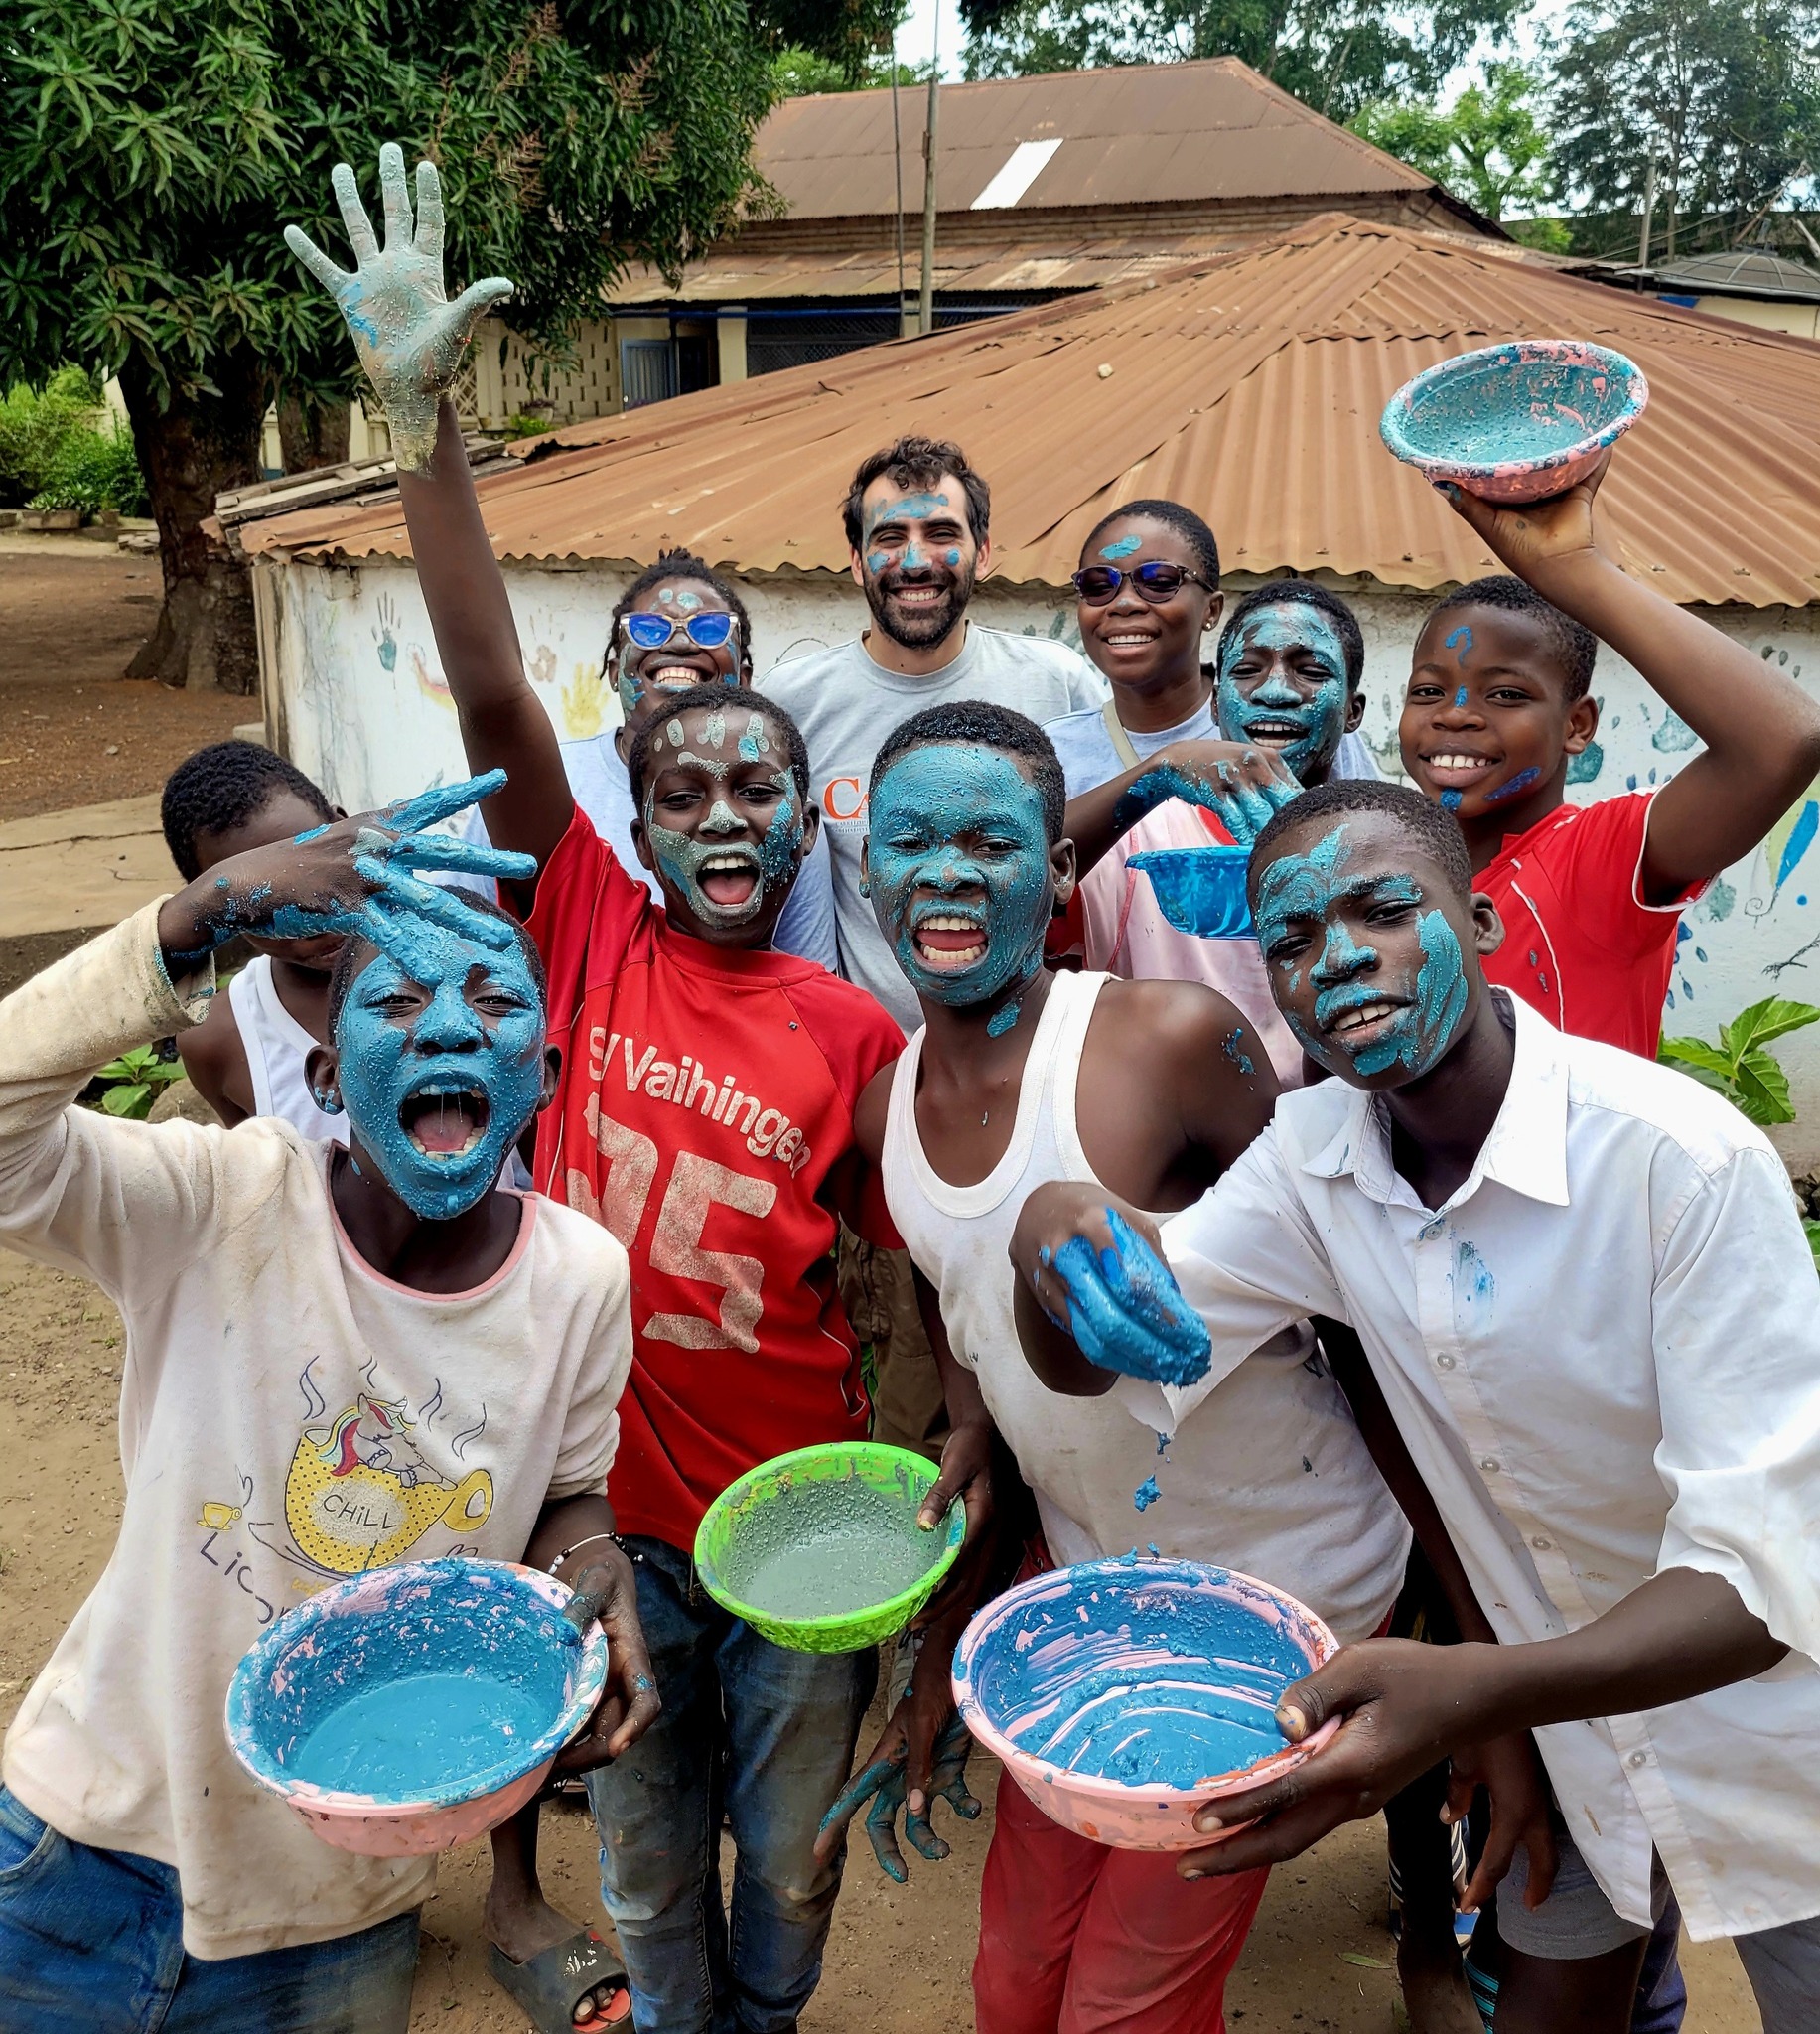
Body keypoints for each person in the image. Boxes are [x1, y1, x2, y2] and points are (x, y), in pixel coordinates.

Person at [286, 146, 988, 2034]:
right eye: (685, 788)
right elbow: (493, 683)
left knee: (796, 1840)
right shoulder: (585, 926)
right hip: (599, 1506)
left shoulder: (859, 1037)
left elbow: (922, 1265)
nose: (726, 812)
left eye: (759, 785)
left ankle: (761, 2018)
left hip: (802, 1526)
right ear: (638, 814)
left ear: (808, 804)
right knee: (645, 1841)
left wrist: (963, 1438)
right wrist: (419, 425)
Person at [1010, 776, 1820, 2034]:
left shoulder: (1679, 1163)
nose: (1336, 958)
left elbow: (1761, 1591)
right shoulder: (1314, 1156)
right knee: (1555, 1984)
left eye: (1384, 909)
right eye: (1289, 938)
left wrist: (1480, 1692)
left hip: (1775, 1731)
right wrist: (1046, 1240)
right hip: (1554, 1720)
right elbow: (1107, 1354)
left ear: (1483, 920)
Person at [0, 775, 657, 2034]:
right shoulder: (212, 1205)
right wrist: (191, 920)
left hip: (337, 1898)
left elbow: (567, 1485)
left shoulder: (581, 1275)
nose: (450, 1029)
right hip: (84, 1837)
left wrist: (594, 1558)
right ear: (326, 1068)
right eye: (399, 1000)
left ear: (549, 1071)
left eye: (498, 1001)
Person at [820, 701, 1408, 2034]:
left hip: (1277, 1590)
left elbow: (1357, 1314)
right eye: (909, 839)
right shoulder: (883, 1106)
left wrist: (1462, 1610)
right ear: (866, 871)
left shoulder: (1168, 1039)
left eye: (991, 839)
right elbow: (947, 1302)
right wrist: (971, 1424)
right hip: (1085, 1578)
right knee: (1013, 1978)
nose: (949, 870)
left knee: (1128, 2006)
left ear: (1060, 872)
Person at [761, 436, 1107, 1458]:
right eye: (890, 536)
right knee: (933, 1383)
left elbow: (1080, 864)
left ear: (983, 549)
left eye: (941, 532)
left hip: (1046, 1082)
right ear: (856, 558)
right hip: (890, 1112)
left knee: (1080, 1381)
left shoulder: (1055, 682)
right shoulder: (801, 701)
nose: (916, 556)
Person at [1403, 458, 1820, 1055]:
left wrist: (1577, 574)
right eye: (1428, 691)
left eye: (1507, 695)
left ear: (1577, 725)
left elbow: (1783, 741)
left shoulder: (1597, 857)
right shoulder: (1392, 875)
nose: (1455, 714)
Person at [1043, 502, 1375, 1083]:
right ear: (1217, 705)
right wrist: (1156, 776)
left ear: (1353, 713)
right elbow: (1026, 886)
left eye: (1311, 671)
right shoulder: (1139, 841)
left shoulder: (1380, 840)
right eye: (1248, 670)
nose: (1276, 692)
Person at [448, 548, 839, 968]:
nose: (681, 641)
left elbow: (807, 980)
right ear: (615, 671)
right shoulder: (540, 787)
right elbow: (459, 940)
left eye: (709, 630)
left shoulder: (779, 812)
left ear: (743, 678)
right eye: (648, 629)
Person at [161, 740, 350, 1138]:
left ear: (347, 828)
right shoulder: (217, 1039)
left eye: (315, 866)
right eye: (262, 900)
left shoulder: (462, 961)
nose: (312, 916)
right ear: (210, 910)